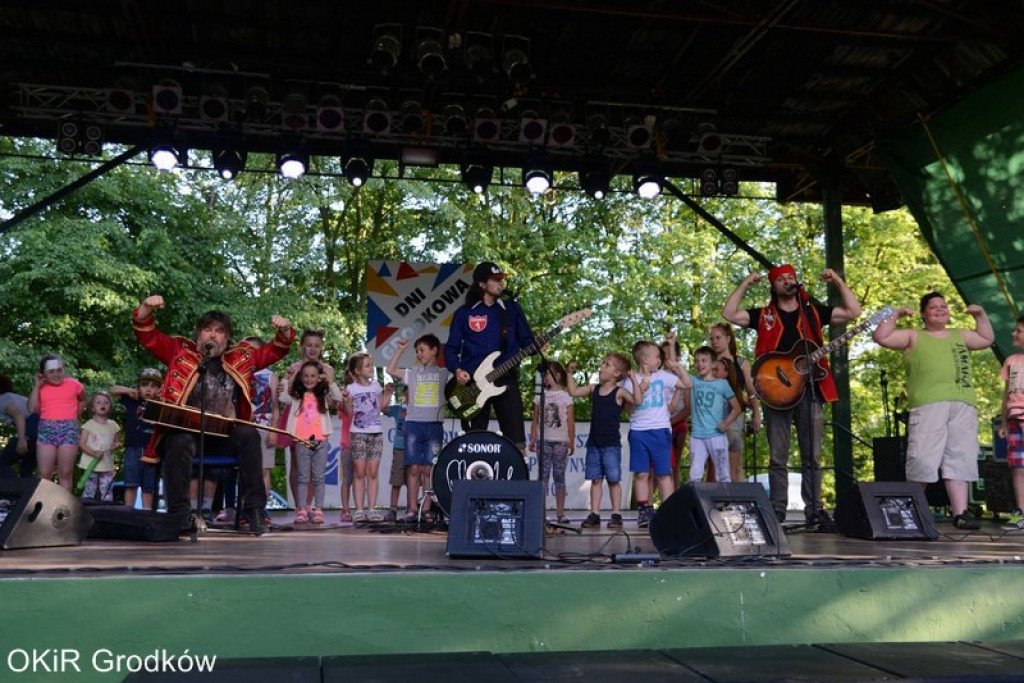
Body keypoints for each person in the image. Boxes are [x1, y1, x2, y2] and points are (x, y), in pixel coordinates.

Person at [132, 294, 295, 534]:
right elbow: (148, 336)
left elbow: (275, 351)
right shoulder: (179, 350)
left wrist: (284, 331)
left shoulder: (242, 357)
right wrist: (146, 309)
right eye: (207, 330)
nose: (212, 335)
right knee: (177, 440)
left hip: (223, 439)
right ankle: (179, 514)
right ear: (198, 334)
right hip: (187, 437)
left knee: (249, 433)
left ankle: (255, 509)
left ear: (227, 339)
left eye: (219, 331)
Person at [722, 265, 861, 527]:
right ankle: (777, 511)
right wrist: (744, 283)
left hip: (810, 390)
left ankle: (815, 511)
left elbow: (854, 312)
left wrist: (838, 282)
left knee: (813, 456)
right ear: (773, 287)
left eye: (791, 277)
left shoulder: (813, 312)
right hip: (775, 392)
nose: (788, 280)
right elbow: (728, 313)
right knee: (778, 457)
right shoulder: (763, 315)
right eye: (781, 279)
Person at [872, 292, 993, 530]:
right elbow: (881, 336)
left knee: (959, 457)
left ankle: (960, 513)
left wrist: (980, 315)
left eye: (944, 306)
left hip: (962, 403)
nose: (940, 310)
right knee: (923, 458)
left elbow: (986, 338)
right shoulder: (914, 336)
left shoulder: (960, 335)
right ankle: (911, 512)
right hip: (928, 405)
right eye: (934, 307)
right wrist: (896, 314)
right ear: (924, 313)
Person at [443, 261, 535, 450]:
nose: (501, 284)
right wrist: (457, 369)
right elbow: (451, 348)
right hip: (472, 384)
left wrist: (538, 345)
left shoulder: (512, 309)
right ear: (482, 285)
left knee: (516, 441)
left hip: (506, 377)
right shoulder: (464, 313)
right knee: (473, 442)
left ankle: (516, 474)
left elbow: (527, 342)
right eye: (496, 280)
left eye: (502, 280)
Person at [567, 354, 642, 529]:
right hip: (594, 443)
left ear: (616, 373)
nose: (601, 367)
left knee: (614, 480)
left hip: (611, 445)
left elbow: (638, 400)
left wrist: (633, 380)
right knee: (595, 480)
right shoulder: (594, 390)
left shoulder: (619, 392)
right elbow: (573, 392)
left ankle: (616, 514)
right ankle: (595, 513)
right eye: (602, 363)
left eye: (606, 364)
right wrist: (569, 374)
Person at [624, 336, 689, 528]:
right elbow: (628, 408)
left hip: (660, 431)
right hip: (639, 431)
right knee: (642, 474)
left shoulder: (663, 377)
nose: (659, 361)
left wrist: (678, 367)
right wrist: (640, 390)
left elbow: (686, 384)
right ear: (645, 360)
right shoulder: (630, 380)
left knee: (664, 473)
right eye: (656, 357)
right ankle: (645, 511)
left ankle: (668, 510)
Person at [385, 335, 449, 522]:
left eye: (422, 350)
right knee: (413, 468)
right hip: (413, 425)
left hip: (434, 426)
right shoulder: (412, 372)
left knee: (428, 469)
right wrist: (400, 349)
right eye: (417, 351)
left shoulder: (444, 373)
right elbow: (390, 369)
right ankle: (412, 509)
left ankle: (426, 509)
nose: (419, 354)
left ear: (434, 350)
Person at [279, 329, 333, 517]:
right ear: (302, 346)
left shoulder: (327, 370)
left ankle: (312, 506)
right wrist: (289, 376)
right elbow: (283, 392)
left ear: (321, 348)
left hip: (317, 424)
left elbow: (333, 398)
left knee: (315, 470)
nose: (312, 349)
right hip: (297, 419)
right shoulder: (295, 368)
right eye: (308, 345)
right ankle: (299, 506)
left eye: (316, 345)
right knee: (297, 464)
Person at [284, 360, 343, 525]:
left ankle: (318, 509)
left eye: (313, 376)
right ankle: (301, 509)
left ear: (319, 378)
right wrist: (293, 373)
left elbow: (338, 396)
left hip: (321, 440)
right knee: (303, 477)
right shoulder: (297, 395)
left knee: (318, 478)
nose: (309, 379)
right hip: (302, 440)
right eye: (305, 376)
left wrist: (329, 381)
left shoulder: (322, 393)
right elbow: (282, 396)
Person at [342, 352, 393, 522]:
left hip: (376, 432)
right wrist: (347, 401)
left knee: (372, 472)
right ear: (357, 370)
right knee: (359, 471)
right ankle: (359, 510)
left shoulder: (376, 386)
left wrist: (388, 393)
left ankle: (372, 509)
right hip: (358, 433)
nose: (371, 368)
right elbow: (349, 412)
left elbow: (382, 408)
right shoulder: (351, 389)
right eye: (367, 365)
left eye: (371, 364)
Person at [709, 322, 760, 482]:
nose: (714, 341)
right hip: (712, 417)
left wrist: (757, 415)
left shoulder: (741, 363)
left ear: (728, 338)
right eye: (711, 339)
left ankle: (738, 502)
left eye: (718, 337)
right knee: (711, 465)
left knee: (735, 465)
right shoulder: (709, 364)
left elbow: (751, 392)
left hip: (735, 416)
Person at [27, 354, 86, 490]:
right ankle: (43, 505)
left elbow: (83, 399)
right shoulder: (40, 388)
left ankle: (65, 508)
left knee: (65, 472)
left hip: (69, 430)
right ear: (43, 374)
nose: (56, 374)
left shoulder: (74, 384)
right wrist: (36, 386)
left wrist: (74, 416)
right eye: (51, 371)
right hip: (47, 430)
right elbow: (31, 408)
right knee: (44, 473)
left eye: (59, 370)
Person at [529, 360, 575, 524]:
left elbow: (570, 421)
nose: (545, 378)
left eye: (547, 374)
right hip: (544, 441)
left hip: (561, 442)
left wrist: (571, 440)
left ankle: (560, 513)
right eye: (543, 375)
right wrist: (533, 438)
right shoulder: (539, 396)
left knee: (559, 476)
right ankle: (541, 512)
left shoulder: (566, 397)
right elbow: (535, 419)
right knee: (543, 476)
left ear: (557, 375)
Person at [111, 368, 163, 509]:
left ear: (159, 389)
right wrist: (129, 391)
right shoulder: (133, 401)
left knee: (149, 486)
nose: (148, 389)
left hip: (151, 451)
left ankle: (146, 515)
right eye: (145, 385)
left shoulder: (161, 404)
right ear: (138, 388)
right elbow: (113, 390)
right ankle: (129, 512)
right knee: (131, 484)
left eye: (153, 387)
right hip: (133, 448)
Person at [688, 348, 741, 483]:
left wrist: (726, 423)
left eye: (704, 360)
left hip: (716, 435)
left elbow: (737, 408)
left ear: (713, 364)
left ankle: (726, 503)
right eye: (697, 361)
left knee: (723, 474)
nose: (699, 364)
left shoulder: (722, 384)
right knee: (694, 475)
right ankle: (695, 503)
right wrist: (671, 345)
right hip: (697, 436)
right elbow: (676, 369)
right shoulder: (694, 381)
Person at [245, 336, 279, 526]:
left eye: (252, 350)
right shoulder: (240, 372)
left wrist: (274, 429)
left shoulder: (271, 376)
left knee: (264, 469)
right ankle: (245, 507)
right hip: (246, 426)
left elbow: (275, 406)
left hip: (265, 425)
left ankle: (262, 508)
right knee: (246, 469)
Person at [999, 314, 1024, 530]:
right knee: (1017, 466)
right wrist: (1004, 423)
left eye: (1019, 331)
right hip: (1015, 419)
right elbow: (1006, 395)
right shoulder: (1012, 361)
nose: (1014, 334)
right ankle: (1021, 511)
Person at [77, 391, 121, 501]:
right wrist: (93, 453)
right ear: (92, 408)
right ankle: (87, 509)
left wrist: (116, 445)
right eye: (99, 402)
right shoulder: (88, 425)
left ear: (110, 407)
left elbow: (117, 442)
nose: (103, 405)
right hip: (90, 464)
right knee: (89, 489)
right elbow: (81, 443)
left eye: (106, 403)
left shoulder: (113, 425)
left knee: (107, 489)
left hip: (106, 464)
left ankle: (106, 509)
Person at [0, 374, 38, 479]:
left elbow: (18, 414)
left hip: (32, 433)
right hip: (40, 436)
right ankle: (29, 493)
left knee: (2, 464)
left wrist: (21, 439)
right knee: (26, 472)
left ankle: (11, 493)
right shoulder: (13, 397)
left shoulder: (2, 399)